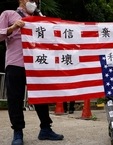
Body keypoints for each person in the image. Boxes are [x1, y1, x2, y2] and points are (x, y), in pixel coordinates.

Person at [0, 0, 64, 145]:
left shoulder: (39, 19)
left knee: (41, 96)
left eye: (35, 0)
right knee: (15, 99)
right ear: (21, 0)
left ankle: (46, 128)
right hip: (16, 63)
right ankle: (17, 132)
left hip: (36, 65)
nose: (33, 2)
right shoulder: (9, 14)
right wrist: (13, 27)